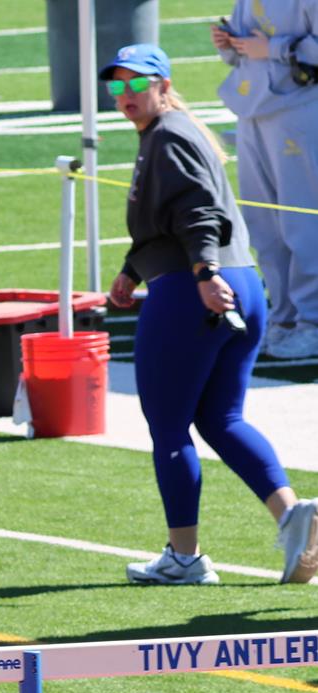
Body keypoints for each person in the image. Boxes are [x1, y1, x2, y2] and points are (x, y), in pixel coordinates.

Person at [102, 44, 318, 586]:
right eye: (117, 86)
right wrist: (133, 267)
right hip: (242, 284)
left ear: (163, 83)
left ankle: (185, 557)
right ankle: (294, 517)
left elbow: (198, 212)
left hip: (196, 290)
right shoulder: (177, 131)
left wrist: (202, 274)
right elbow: (173, 215)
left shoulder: (168, 136)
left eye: (137, 84)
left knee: (169, 427)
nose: (126, 95)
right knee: (222, 418)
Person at [212, 4, 318, 360]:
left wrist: (274, 49)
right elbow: (247, 50)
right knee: (264, 227)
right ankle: (283, 318)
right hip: (252, 109)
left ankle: (312, 322)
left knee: (302, 223)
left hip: (299, 109)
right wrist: (229, 44)